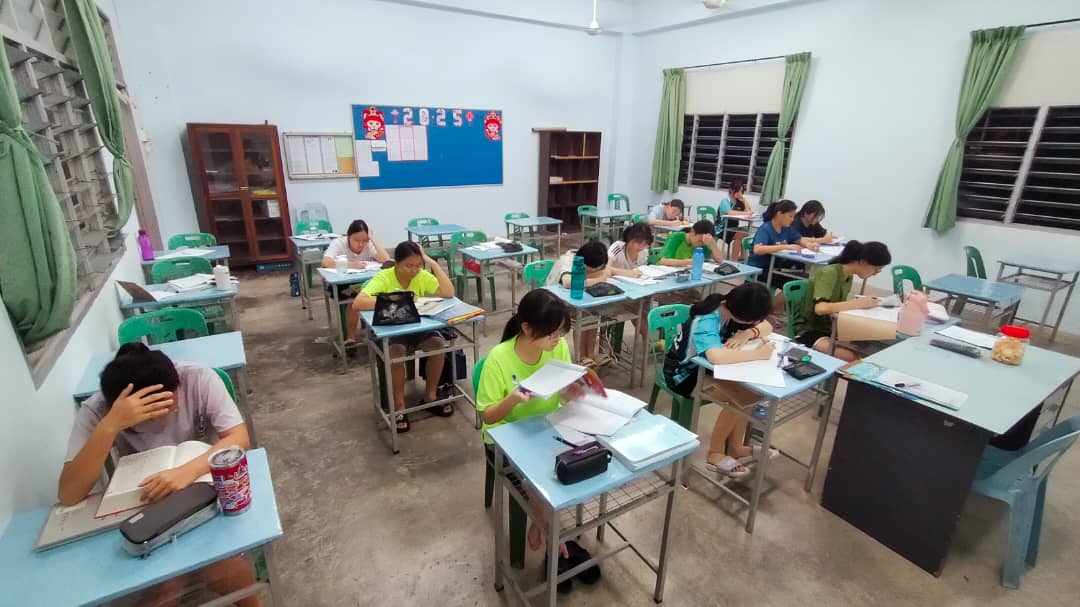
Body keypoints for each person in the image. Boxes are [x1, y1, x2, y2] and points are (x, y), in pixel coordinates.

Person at [58, 344, 260, 607]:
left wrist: (185, 472)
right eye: (146, 420)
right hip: (147, 505)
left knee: (223, 569)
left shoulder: (197, 379)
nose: (160, 422)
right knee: (166, 586)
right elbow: (69, 494)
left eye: (169, 408)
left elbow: (239, 438)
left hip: (204, 493)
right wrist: (110, 427)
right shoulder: (99, 410)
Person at [477, 289, 579, 564]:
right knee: (538, 479)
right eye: (551, 334)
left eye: (561, 333)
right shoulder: (499, 359)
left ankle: (540, 522)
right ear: (526, 328)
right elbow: (488, 417)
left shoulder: (557, 347)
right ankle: (550, 530)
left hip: (548, 427)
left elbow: (563, 388)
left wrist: (573, 391)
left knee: (582, 462)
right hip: (505, 437)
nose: (557, 340)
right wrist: (511, 400)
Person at [663, 283, 776, 479]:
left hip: (706, 370)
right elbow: (716, 357)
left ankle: (736, 447)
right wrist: (758, 354)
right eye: (754, 320)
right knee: (742, 398)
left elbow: (768, 326)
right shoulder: (708, 318)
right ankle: (715, 454)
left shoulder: (729, 306)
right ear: (744, 315)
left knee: (751, 395)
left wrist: (747, 334)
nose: (756, 322)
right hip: (683, 376)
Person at [352, 241, 456, 431]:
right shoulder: (385, 277)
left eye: (418, 265)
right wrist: (398, 301)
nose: (414, 270)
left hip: (418, 326)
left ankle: (430, 396)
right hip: (394, 329)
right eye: (409, 266)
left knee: (438, 345)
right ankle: (400, 406)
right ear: (397, 263)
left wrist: (432, 263)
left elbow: (449, 292)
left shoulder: (421, 275)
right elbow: (358, 303)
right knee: (396, 353)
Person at [792, 240, 892, 362]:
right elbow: (820, 308)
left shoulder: (848, 276)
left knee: (872, 344)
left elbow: (837, 306)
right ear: (862, 262)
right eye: (876, 269)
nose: (875, 274)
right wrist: (857, 303)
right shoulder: (829, 273)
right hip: (808, 329)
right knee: (852, 358)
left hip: (829, 326)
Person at [557, 240, 638, 365]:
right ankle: (581, 357)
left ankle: (590, 355)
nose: (594, 271)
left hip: (583, 300)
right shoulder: (569, 260)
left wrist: (633, 273)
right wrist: (599, 279)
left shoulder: (594, 261)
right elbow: (568, 283)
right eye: (593, 269)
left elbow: (611, 270)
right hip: (560, 303)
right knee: (584, 316)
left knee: (593, 314)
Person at [322, 220, 391, 348]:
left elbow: (386, 260)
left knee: (382, 295)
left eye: (364, 240)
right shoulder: (338, 243)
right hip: (341, 285)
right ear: (349, 236)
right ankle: (351, 336)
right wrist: (351, 265)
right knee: (357, 298)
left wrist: (373, 239)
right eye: (356, 240)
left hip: (364, 283)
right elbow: (326, 262)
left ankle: (378, 332)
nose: (360, 244)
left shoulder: (368, 245)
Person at [748, 200, 820, 313]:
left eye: (793, 216)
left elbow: (799, 240)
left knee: (805, 281)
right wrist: (784, 246)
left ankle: (772, 308)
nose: (792, 219)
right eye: (790, 216)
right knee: (797, 284)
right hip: (762, 268)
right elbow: (758, 249)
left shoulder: (787, 228)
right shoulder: (766, 228)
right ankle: (767, 309)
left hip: (777, 267)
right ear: (779, 214)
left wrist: (809, 245)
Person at [658, 220, 725, 266]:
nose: (701, 245)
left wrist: (712, 243)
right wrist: (688, 262)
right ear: (692, 232)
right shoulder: (676, 237)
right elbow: (662, 261)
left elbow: (720, 260)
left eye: (703, 243)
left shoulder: (703, 243)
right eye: (700, 241)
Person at [717, 180, 753, 259]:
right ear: (732, 190)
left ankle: (742, 256)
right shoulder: (725, 201)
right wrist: (746, 213)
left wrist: (744, 200)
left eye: (741, 191)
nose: (740, 193)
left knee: (746, 233)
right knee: (740, 235)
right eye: (738, 191)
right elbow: (729, 212)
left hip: (733, 228)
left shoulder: (739, 201)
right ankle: (734, 260)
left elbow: (749, 211)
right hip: (722, 229)